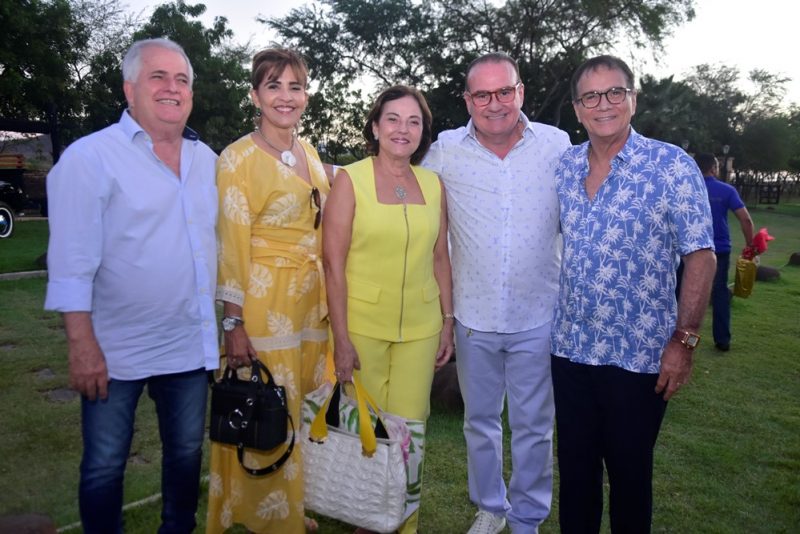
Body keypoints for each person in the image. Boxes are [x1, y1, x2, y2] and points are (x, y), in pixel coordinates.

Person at [44, 38, 218, 533]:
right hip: (113, 350)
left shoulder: (209, 161)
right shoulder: (89, 158)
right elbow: (70, 263)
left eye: (182, 80)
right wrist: (81, 346)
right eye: (158, 77)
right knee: (104, 464)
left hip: (187, 345)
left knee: (185, 456)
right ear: (129, 88)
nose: (172, 88)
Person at [550, 55, 717, 533]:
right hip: (571, 351)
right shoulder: (563, 167)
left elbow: (701, 257)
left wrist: (683, 341)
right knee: (576, 476)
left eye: (614, 92)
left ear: (632, 99)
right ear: (578, 110)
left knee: (629, 479)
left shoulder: (670, 165)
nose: (604, 104)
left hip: (640, 357)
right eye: (591, 97)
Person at [422, 52, 571, 534]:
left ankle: (527, 517)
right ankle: (490, 507)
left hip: (538, 313)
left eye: (504, 91)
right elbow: (399, 180)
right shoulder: (444, 149)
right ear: (467, 100)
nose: (494, 103)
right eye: (482, 94)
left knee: (533, 426)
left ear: (520, 92)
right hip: (473, 314)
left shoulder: (557, 144)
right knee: (480, 422)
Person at [205, 48, 330, 534]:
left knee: (295, 407)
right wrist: (233, 324)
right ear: (255, 94)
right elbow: (231, 246)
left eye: (295, 86)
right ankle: (264, 516)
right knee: (264, 405)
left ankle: (292, 509)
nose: (286, 96)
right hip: (262, 303)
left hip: (308, 307)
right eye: (274, 85)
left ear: (305, 95)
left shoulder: (311, 153)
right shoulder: (236, 159)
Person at [323, 85, 454, 534]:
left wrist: (448, 322)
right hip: (362, 326)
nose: (403, 129)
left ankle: (403, 523)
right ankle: (365, 517)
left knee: (411, 435)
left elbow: (441, 258)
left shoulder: (435, 185)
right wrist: (340, 338)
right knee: (367, 432)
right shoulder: (351, 179)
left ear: (423, 132)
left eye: (413, 121)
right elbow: (332, 264)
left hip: (422, 326)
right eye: (393, 119)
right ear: (376, 127)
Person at [695, 152, 754, 351]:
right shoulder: (726, 190)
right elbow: (745, 219)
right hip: (718, 250)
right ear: (714, 168)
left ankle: (674, 338)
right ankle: (722, 340)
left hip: (689, 249)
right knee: (719, 292)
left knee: (680, 291)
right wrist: (750, 246)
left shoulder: (687, 189)